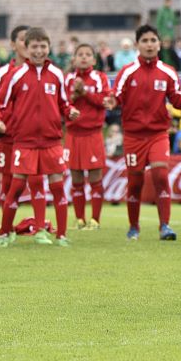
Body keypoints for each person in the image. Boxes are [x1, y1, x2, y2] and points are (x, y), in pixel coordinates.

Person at [0, 27, 78, 247]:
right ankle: (3, 233)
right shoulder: (15, 75)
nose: (39, 51)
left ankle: (62, 235)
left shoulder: (57, 74)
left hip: (51, 141)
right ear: (26, 49)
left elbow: (64, 103)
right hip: (24, 142)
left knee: (57, 187)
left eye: (43, 46)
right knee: (16, 188)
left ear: (49, 48)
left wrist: (70, 111)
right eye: (34, 47)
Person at [109, 25, 181, 241]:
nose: (149, 44)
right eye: (145, 41)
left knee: (160, 175)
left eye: (153, 40)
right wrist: (110, 101)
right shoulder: (127, 72)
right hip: (133, 136)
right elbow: (116, 98)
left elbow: (178, 101)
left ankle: (165, 226)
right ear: (137, 45)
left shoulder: (168, 71)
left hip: (158, 134)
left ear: (159, 44)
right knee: (135, 182)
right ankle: (134, 227)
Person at [63, 43, 111, 231]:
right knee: (76, 179)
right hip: (73, 134)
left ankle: (95, 220)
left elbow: (106, 102)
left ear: (94, 59)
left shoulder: (100, 78)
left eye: (88, 54)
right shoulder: (67, 79)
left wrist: (84, 93)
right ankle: (80, 219)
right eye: (80, 54)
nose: (84, 57)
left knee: (95, 179)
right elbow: (62, 103)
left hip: (93, 134)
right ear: (74, 59)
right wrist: (75, 94)